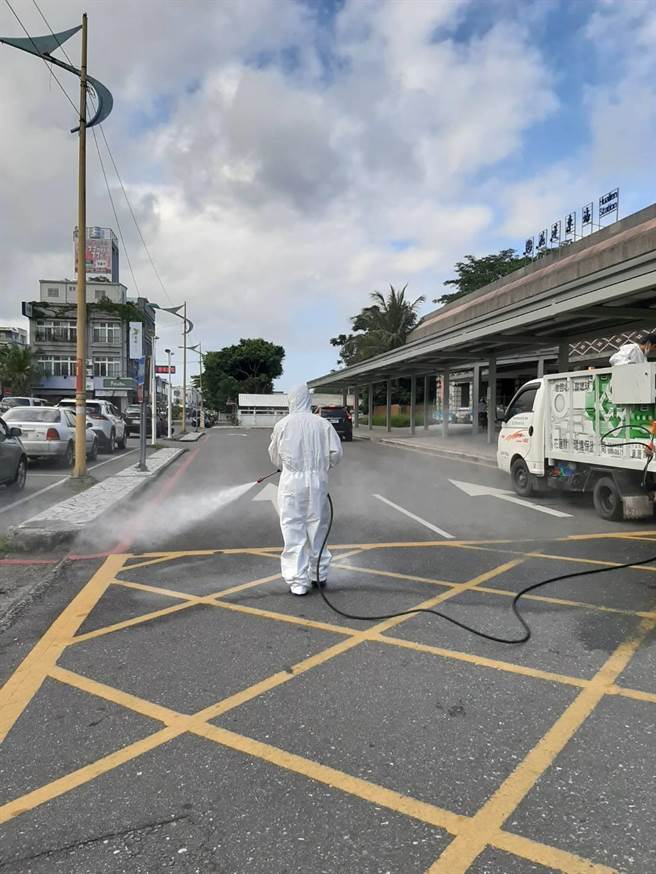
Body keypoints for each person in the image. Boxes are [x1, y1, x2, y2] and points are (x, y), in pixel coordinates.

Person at [268, 384, 343, 596]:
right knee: (317, 527)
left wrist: (288, 467)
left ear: (291, 400)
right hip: (318, 481)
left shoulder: (283, 425)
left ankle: (298, 583)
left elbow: (274, 455)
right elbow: (336, 454)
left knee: (293, 528)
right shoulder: (323, 424)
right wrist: (322, 466)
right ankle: (318, 574)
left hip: (291, 481)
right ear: (308, 401)